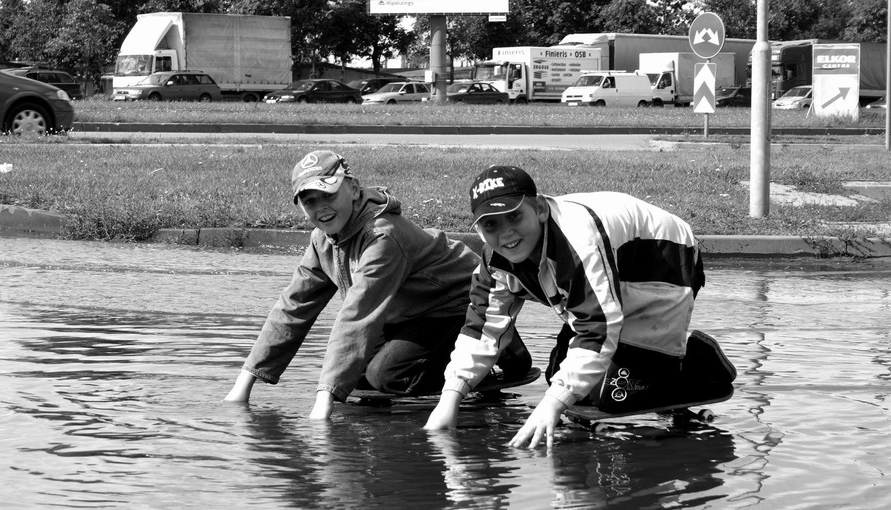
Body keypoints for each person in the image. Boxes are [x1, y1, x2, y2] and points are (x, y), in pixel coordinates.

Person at [424, 164, 734, 447]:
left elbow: (598, 327)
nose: (505, 233)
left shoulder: (578, 243)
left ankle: (694, 361)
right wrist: (449, 399)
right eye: (490, 224)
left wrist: (551, 406)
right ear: (478, 229)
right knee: (560, 375)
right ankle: (654, 361)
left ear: (540, 209)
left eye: (515, 216)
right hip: (613, 262)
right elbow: (482, 329)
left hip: (661, 260)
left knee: (611, 396)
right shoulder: (493, 261)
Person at [225, 150, 532, 419]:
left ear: (354, 188)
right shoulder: (322, 241)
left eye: (329, 195)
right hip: (407, 314)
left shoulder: (382, 236)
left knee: (388, 377)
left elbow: (357, 315)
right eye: (309, 200)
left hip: (457, 305)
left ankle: (496, 347)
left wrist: (323, 406)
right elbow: (292, 309)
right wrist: (244, 386)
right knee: (354, 378)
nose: (321, 207)